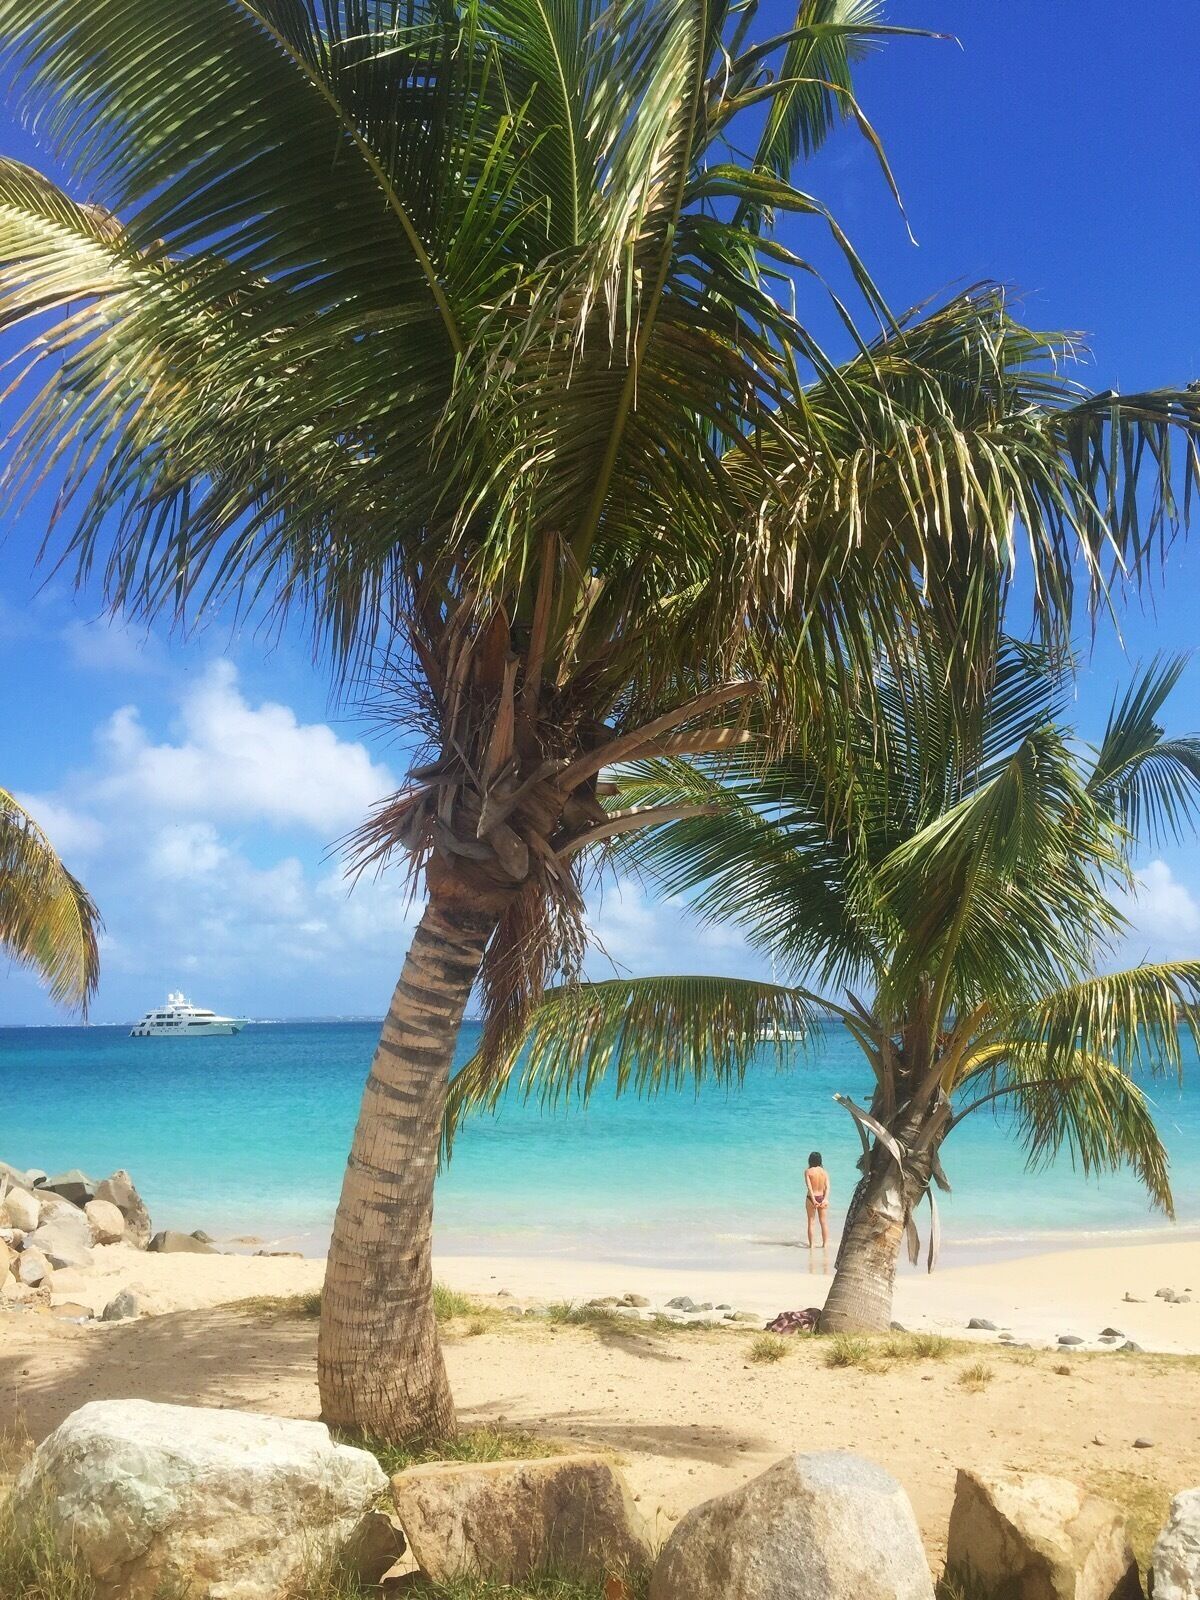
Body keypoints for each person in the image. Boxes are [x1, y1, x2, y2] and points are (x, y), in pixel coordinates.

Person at [805, 1150, 830, 1248]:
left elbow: (809, 1187)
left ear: (810, 1160)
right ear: (820, 1160)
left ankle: (811, 1246)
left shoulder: (808, 1172)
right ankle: (825, 1244)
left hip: (811, 1198)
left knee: (811, 1222)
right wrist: (825, 1199)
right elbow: (828, 1187)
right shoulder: (824, 1172)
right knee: (823, 1222)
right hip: (822, 1197)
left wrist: (813, 1200)